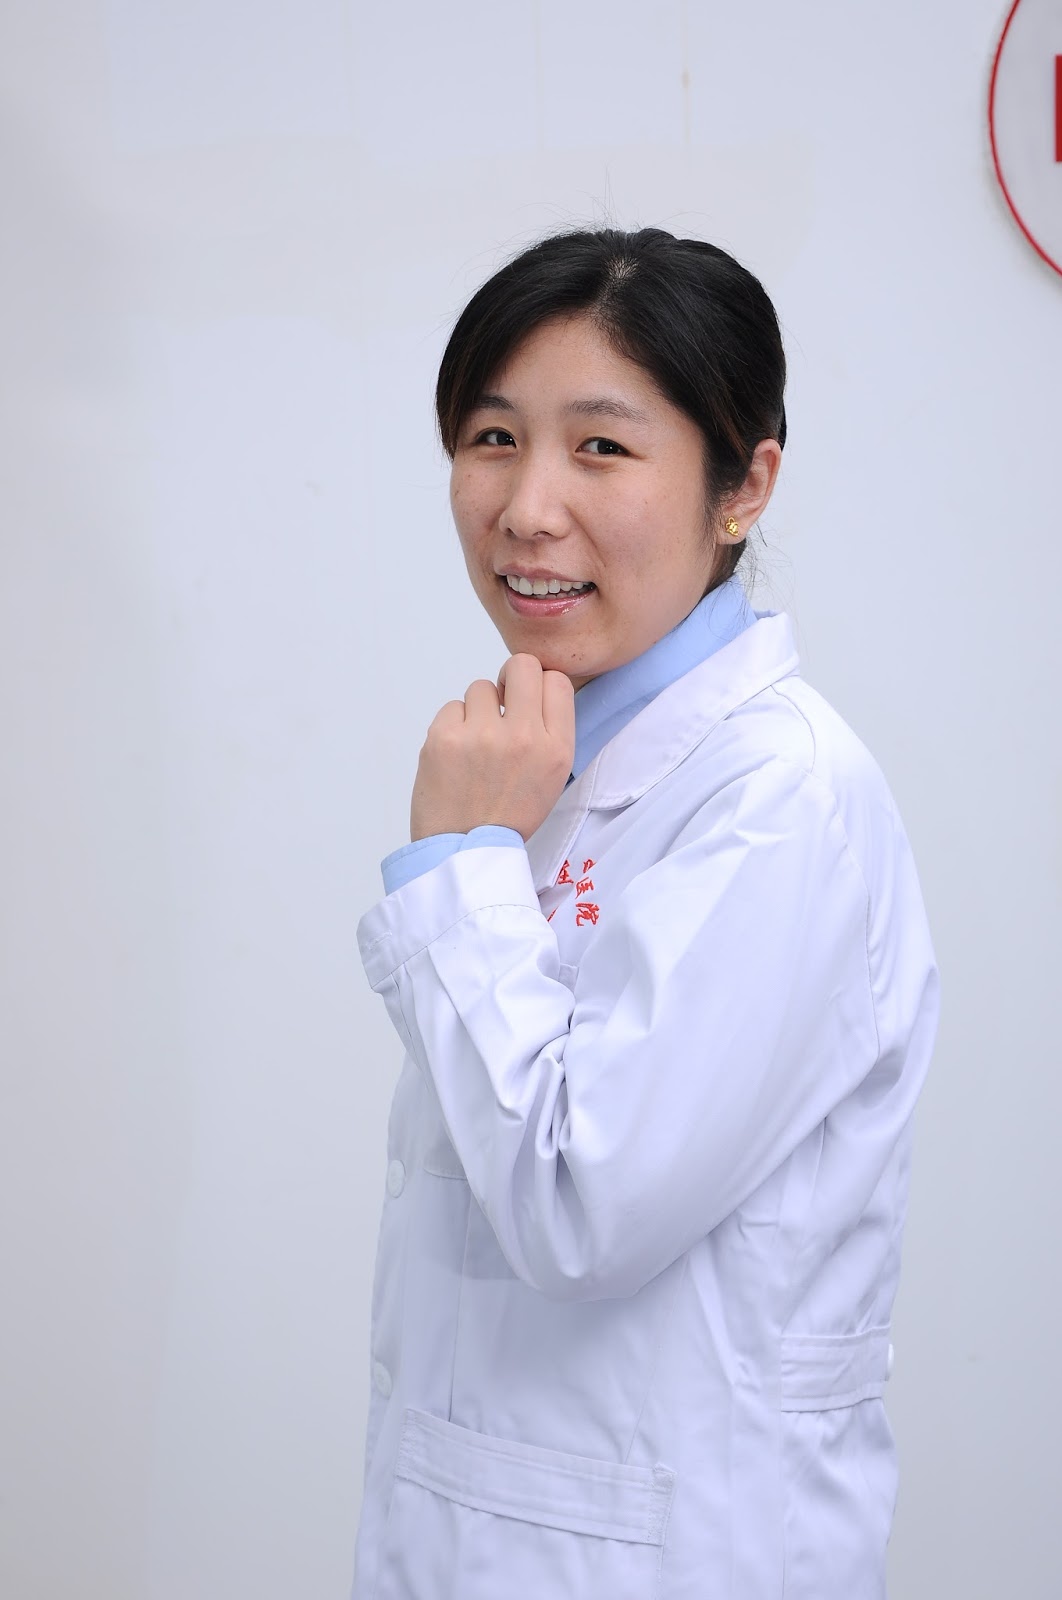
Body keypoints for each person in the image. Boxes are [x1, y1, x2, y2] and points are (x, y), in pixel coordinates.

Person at [351, 227, 939, 1600]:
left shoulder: (780, 797)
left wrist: (455, 870)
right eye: (493, 438)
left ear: (745, 486)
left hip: (676, 1552)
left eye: (601, 447)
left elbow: (578, 1205)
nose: (527, 507)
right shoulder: (548, 761)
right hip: (496, 1533)